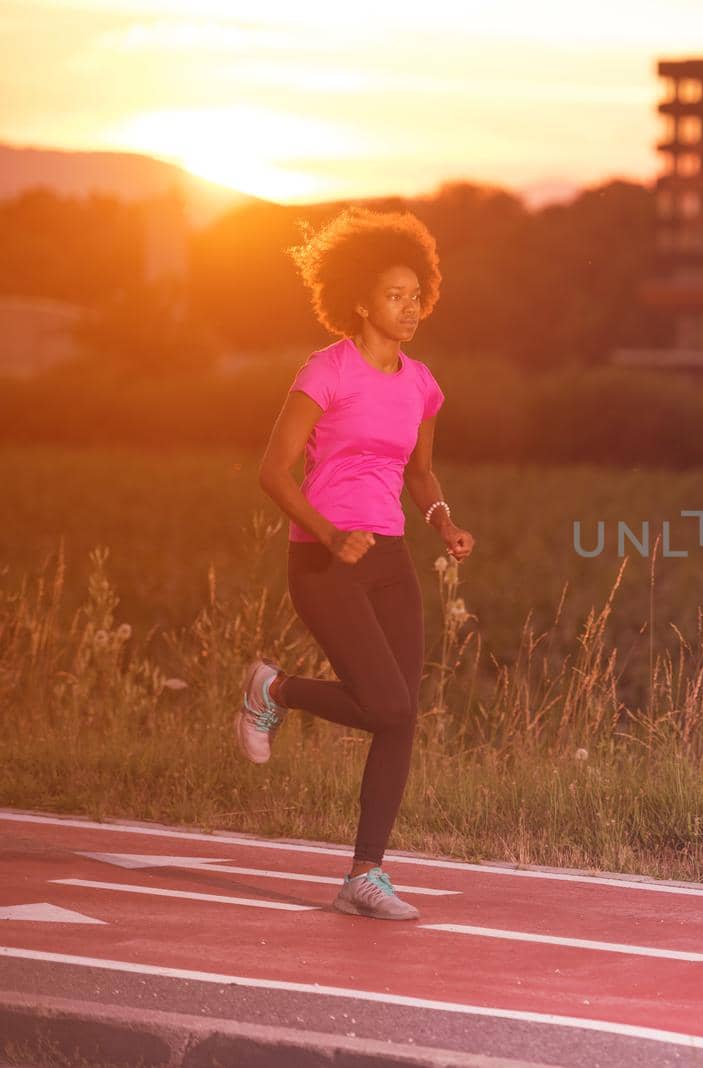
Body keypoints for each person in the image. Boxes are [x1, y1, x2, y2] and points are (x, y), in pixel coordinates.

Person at [242, 206, 475, 921]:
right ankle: (273, 690)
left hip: (391, 557)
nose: (410, 309)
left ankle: (363, 876)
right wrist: (328, 531)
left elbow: (421, 474)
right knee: (389, 704)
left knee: (400, 718)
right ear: (360, 302)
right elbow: (274, 472)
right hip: (323, 559)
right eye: (395, 296)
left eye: (416, 295)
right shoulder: (326, 370)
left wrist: (444, 523)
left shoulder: (421, 383)